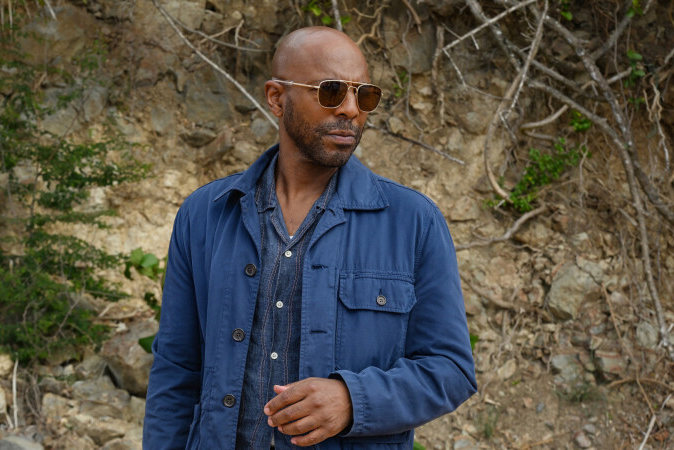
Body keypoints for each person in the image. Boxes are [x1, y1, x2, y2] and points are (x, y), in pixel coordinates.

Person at [143, 26, 476, 449]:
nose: (351, 110)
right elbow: (176, 370)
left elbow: (451, 369)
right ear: (277, 98)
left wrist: (353, 400)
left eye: (365, 96)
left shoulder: (413, 222)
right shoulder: (205, 215)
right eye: (331, 91)